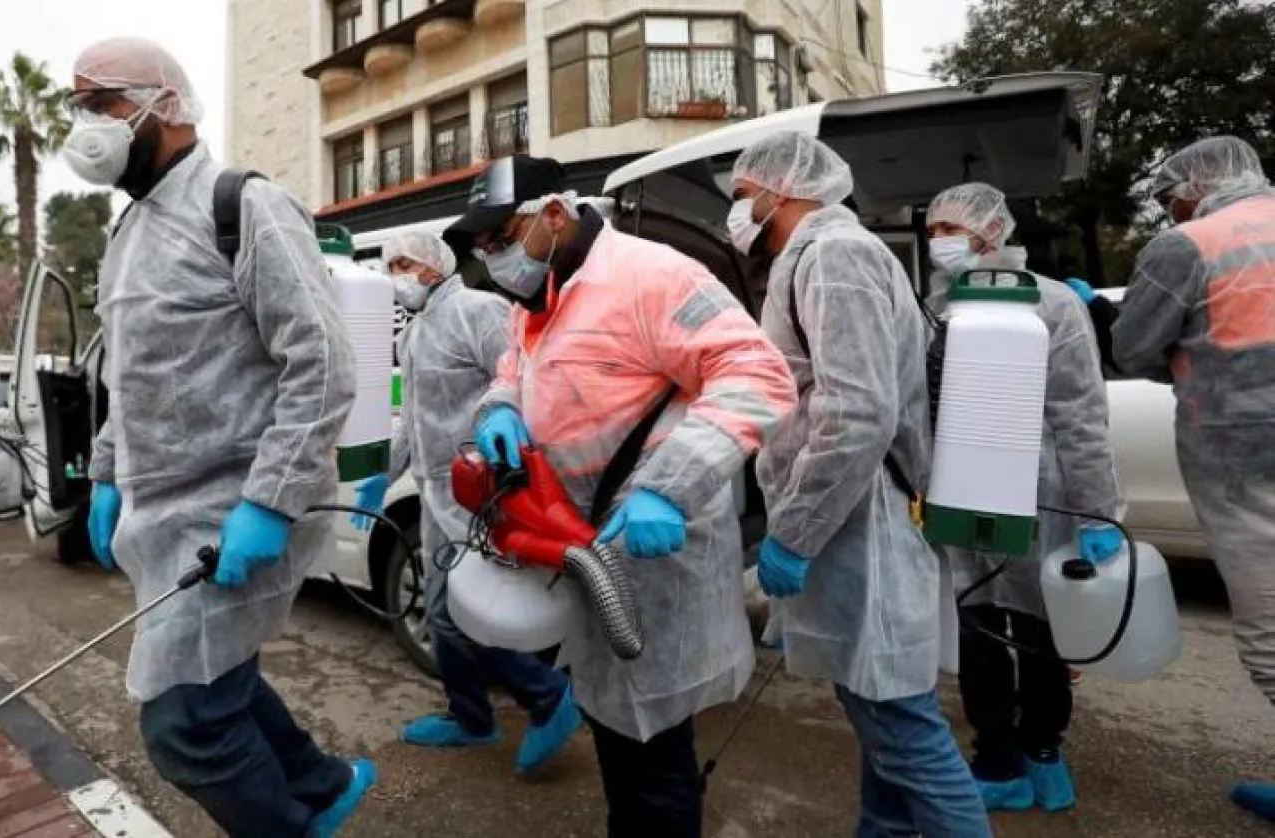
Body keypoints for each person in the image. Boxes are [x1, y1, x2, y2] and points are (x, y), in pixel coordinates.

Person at [65, 37, 372, 838]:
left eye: (99, 103)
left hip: (240, 507)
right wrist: (105, 474)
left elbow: (326, 364)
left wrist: (268, 502)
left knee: (186, 727)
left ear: (162, 103)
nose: (84, 124)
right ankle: (321, 783)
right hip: (161, 512)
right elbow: (125, 375)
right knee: (218, 678)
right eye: (77, 107)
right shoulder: (128, 234)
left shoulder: (243, 205)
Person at [452, 154, 795, 837]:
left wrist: (668, 490)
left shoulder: (650, 275)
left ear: (554, 213)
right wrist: (499, 410)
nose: (494, 257)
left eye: (502, 236)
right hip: (585, 557)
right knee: (616, 739)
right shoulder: (542, 301)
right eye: (483, 246)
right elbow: (513, 374)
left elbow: (758, 374)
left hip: (656, 561)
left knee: (659, 760)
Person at [735, 132, 993, 836]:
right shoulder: (821, 256)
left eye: (742, 196)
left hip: (862, 525)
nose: (739, 213)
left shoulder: (835, 256)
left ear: (778, 191)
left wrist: (792, 534)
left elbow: (856, 411)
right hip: (858, 518)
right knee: (880, 718)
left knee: (901, 728)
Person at [926, 183, 1123, 812]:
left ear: (990, 231)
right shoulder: (938, 304)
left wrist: (1097, 510)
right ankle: (996, 755)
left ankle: (1044, 746)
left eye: (949, 230)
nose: (939, 244)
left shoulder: (1054, 303)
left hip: (1041, 487)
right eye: (932, 232)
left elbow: (1081, 413)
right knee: (978, 619)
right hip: (960, 484)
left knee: (1042, 627)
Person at [351, 231, 579, 771]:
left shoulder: (478, 311)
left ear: (432, 265)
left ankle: (546, 695)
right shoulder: (415, 332)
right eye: (390, 267)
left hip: (482, 492)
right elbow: (412, 419)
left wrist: (512, 464)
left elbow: (522, 383)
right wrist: (386, 474)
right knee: (440, 609)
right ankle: (471, 717)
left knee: (465, 610)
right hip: (436, 496)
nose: (395, 277)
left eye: (403, 264)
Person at [1110, 136, 1275, 824]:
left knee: (1271, 633)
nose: (1168, 208)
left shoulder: (1190, 245)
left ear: (1195, 185)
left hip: (1246, 464)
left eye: (1167, 195)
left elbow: (1133, 348)